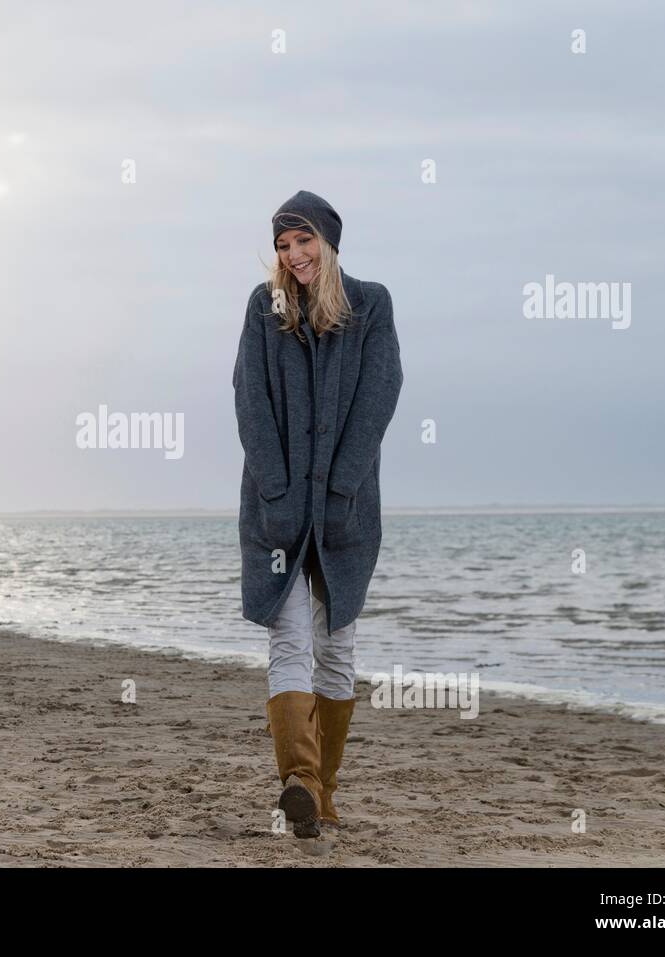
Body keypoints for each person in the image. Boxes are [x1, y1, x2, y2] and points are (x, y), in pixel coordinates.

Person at [232, 189, 403, 839]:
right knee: (289, 639)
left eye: (303, 241)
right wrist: (278, 490)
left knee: (336, 650)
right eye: (283, 244)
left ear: (328, 241)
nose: (294, 254)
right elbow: (252, 401)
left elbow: (379, 397)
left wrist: (341, 488)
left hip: (346, 512)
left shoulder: (372, 304)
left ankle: (323, 794)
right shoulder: (264, 307)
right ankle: (298, 780)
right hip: (276, 510)